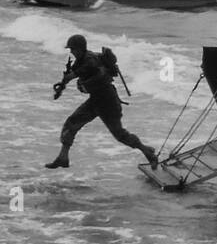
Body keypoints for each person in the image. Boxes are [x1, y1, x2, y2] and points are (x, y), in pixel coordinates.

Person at [45, 35, 158, 171]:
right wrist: (62, 86)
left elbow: (80, 71)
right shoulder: (81, 59)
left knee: (120, 135)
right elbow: (71, 74)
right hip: (95, 101)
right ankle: (63, 157)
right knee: (71, 123)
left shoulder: (89, 60)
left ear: (80, 48)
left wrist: (70, 77)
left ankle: (147, 152)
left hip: (108, 102)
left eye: (73, 49)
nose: (71, 52)